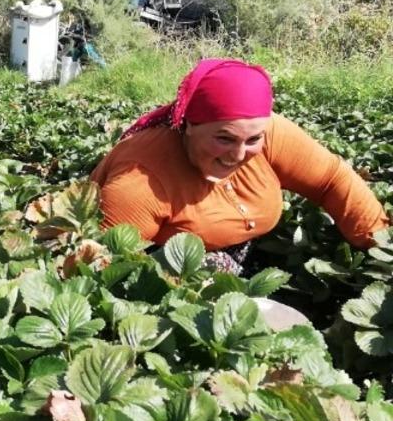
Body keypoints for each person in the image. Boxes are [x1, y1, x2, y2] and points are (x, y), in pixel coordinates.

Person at [91, 58, 389, 274]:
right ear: (189, 125)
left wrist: (382, 247)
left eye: (253, 140)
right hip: (167, 273)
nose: (238, 154)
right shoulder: (140, 181)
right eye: (224, 138)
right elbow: (108, 268)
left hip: (245, 256)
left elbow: (332, 180)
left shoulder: (273, 135)